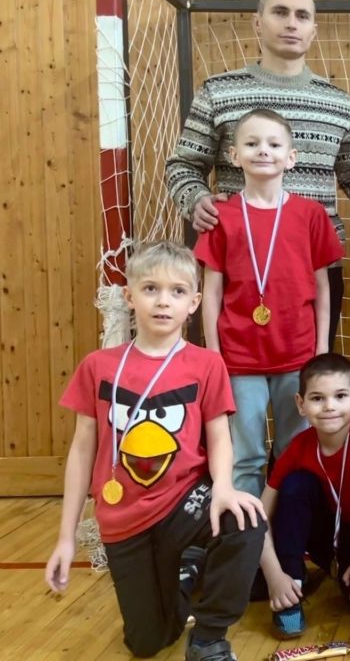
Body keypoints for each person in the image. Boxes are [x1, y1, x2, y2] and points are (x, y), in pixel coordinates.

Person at [44, 241, 266, 661]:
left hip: (184, 501)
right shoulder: (97, 366)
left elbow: (220, 435)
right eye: (150, 289)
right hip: (123, 516)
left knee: (246, 519)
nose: (163, 301)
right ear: (129, 296)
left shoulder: (207, 364)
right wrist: (65, 538)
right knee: (147, 643)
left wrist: (223, 487)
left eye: (177, 291)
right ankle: (185, 574)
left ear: (193, 303)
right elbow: (82, 450)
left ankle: (209, 638)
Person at [165, 0, 350, 349]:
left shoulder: (338, 103)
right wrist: (196, 199)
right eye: (280, 12)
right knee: (234, 377)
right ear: (258, 23)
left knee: (313, 379)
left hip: (314, 268)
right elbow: (183, 166)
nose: (292, 23)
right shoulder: (218, 91)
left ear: (313, 31)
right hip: (238, 267)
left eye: (302, 16)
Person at [194, 108, 343, 498]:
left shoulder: (310, 215)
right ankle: (248, 531)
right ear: (234, 155)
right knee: (246, 455)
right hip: (239, 357)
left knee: (296, 450)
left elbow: (323, 288)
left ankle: (291, 525)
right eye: (252, 143)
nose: (263, 151)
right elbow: (211, 292)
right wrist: (213, 353)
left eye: (274, 144)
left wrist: (321, 349)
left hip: (297, 354)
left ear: (291, 157)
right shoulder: (221, 216)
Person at [258, 353, 350, 639]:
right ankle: (292, 584)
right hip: (324, 530)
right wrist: (274, 575)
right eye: (317, 398)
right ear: (300, 404)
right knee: (295, 485)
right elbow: (260, 517)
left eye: (340, 396)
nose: (329, 406)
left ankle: (336, 568)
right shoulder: (298, 447)